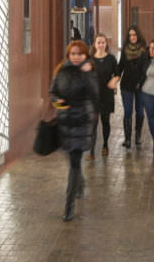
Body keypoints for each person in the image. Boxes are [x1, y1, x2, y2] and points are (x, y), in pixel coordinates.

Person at [49, 40, 99, 222]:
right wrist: (57, 103)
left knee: (75, 163)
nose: (77, 57)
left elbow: (95, 94)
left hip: (82, 122)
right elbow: (52, 93)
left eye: (80, 54)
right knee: (71, 160)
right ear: (68, 55)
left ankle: (68, 207)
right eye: (73, 54)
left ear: (85, 55)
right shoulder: (60, 71)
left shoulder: (89, 72)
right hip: (64, 122)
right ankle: (81, 182)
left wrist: (87, 76)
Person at [116, 24, 148, 148]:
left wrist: (142, 81)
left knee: (140, 112)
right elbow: (120, 67)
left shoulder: (145, 51)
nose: (132, 37)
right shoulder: (125, 50)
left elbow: (147, 69)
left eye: (134, 35)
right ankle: (127, 138)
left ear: (138, 35)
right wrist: (115, 78)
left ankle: (138, 135)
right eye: (130, 35)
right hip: (126, 85)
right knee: (128, 112)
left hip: (141, 86)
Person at [89, 32, 118, 159]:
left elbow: (117, 74)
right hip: (93, 96)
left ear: (106, 44)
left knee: (105, 121)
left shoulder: (111, 59)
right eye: (98, 42)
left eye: (103, 42)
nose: (101, 44)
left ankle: (105, 145)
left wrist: (114, 81)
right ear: (95, 45)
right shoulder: (90, 60)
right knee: (93, 123)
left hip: (106, 94)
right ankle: (91, 151)